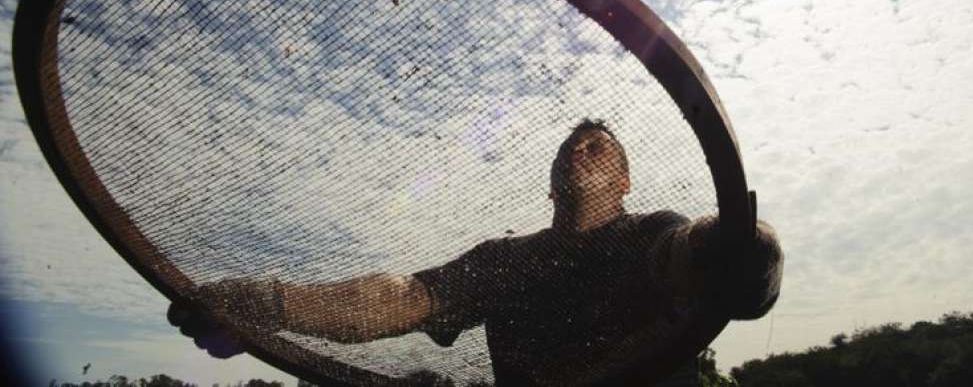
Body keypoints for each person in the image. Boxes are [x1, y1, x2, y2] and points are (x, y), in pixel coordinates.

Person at [168, 119, 783, 386]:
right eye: (569, 148)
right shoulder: (506, 260)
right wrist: (272, 303)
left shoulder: (656, 234)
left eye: (597, 149)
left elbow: (699, 260)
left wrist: (747, 255)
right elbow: (404, 299)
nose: (578, 152)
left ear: (624, 183)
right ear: (548, 186)